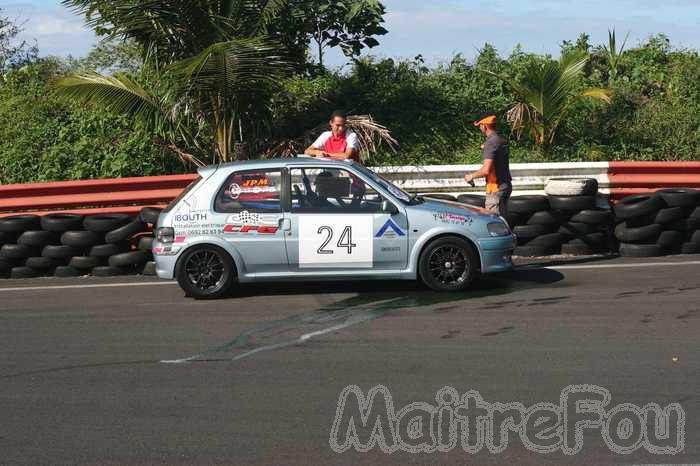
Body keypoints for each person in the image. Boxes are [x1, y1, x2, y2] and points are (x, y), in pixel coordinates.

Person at [464, 115, 512, 216]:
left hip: (495, 188)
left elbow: (486, 170)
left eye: (480, 125)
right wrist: (486, 147)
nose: (480, 128)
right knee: (502, 220)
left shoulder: (490, 143)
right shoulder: (502, 140)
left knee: (494, 223)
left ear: (485, 126)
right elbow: (496, 148)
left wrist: (471, 176)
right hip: (506, 185)